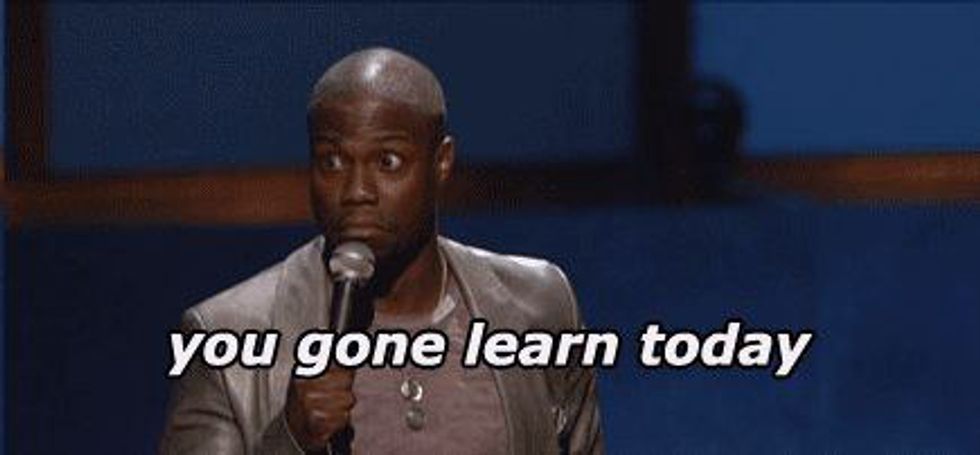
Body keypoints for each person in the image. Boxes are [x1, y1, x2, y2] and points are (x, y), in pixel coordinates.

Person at [159, 47, 604, 454]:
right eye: (333, 161)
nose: (357, 191)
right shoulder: (226, 339)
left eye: (388, 161)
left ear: (441, 162)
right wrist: (290, 440)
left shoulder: (539, 307)